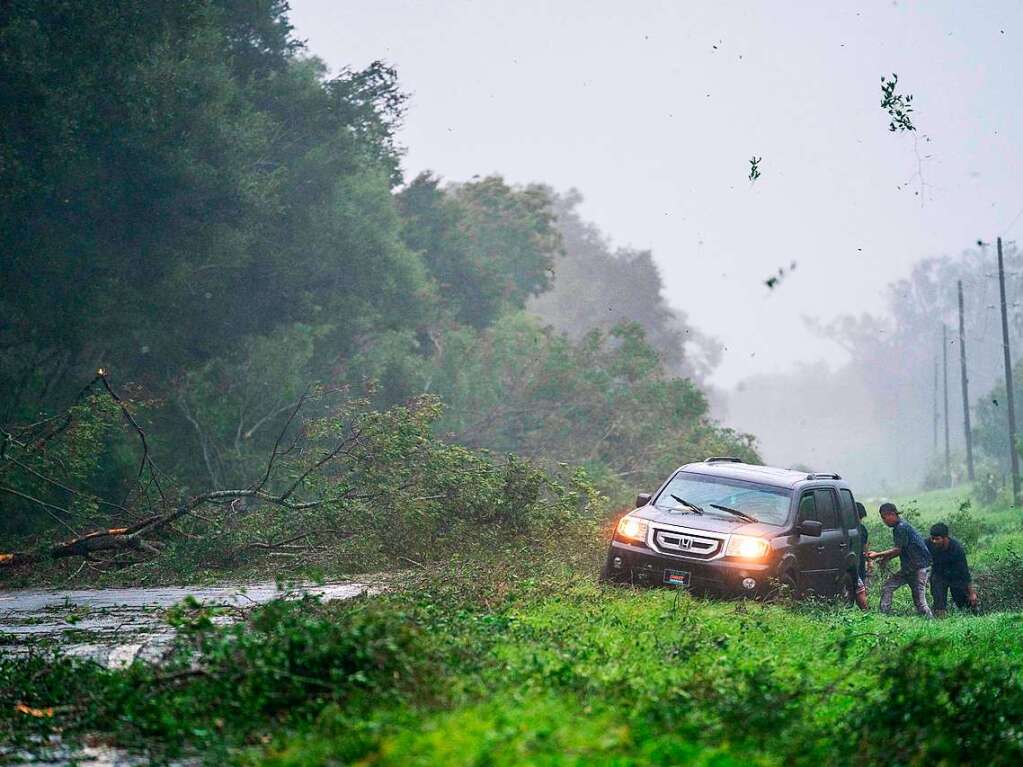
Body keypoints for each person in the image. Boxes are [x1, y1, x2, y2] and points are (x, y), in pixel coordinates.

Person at [866, 503, 933, 618]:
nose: (884, 521)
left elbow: (897, 550)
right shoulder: (900, 527)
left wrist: (877, 555)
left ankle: (931, 623)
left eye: (884, 517)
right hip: (910, 568)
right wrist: (885, 559)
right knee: (888, 587)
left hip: (919, 568)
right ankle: (883, 616)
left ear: (892, 514)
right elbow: (902, 550)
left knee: (920, 601)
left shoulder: (901, 527)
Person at [926, 522, 978, 617]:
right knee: (939, 602)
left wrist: (972, 593)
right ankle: (940, 623)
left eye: (937, 539)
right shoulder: (928, 543)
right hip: (938, 575)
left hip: (956, 576)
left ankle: (973, 617)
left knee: (963, 603)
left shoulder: (957, 550)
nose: (934, 541)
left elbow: (965, 573)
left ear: (945, 538)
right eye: (932, 538)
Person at [848, 501, 869, 610]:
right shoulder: (861, 529)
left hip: (852, 563)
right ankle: (866, 612)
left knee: (854, 587)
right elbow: (865, 550)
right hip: (858, 563)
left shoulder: (847, 528)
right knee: (859, 588)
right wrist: (869, 561)